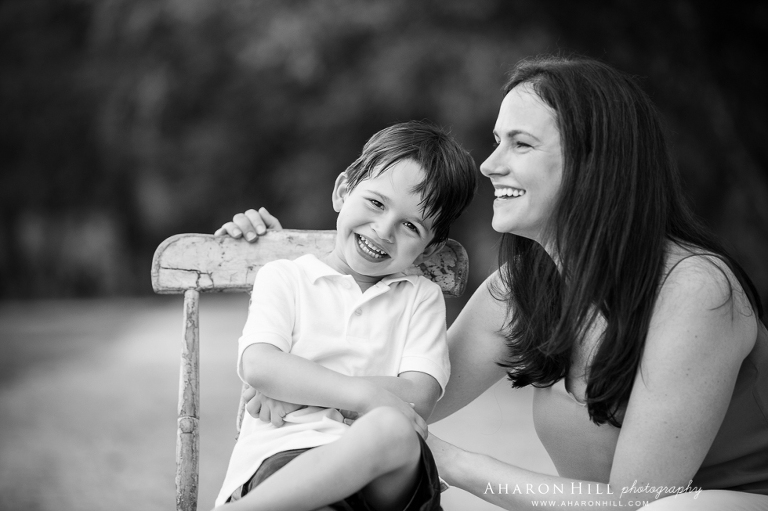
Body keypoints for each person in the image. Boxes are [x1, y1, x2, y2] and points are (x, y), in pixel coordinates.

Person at [216, 55, 768, 510]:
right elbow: (402, 392)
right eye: (497, 140)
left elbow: (637, 502)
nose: (488, 165)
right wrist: (295, 376)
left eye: (520, 144)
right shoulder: (523, 291)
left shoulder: (695, 291)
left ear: (593, 165)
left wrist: (452, 461)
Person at [213, 121, 477, 511]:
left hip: (384, 477)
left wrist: (299, 391)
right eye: (376, 203)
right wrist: (370, 396)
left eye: (410, 225)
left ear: (427, 249)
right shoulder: (286, 277)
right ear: (342, 191)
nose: (383, 230)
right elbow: (260, 365)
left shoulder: (420, 297)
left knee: (392, 427)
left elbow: (419, 396)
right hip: (286, 457)